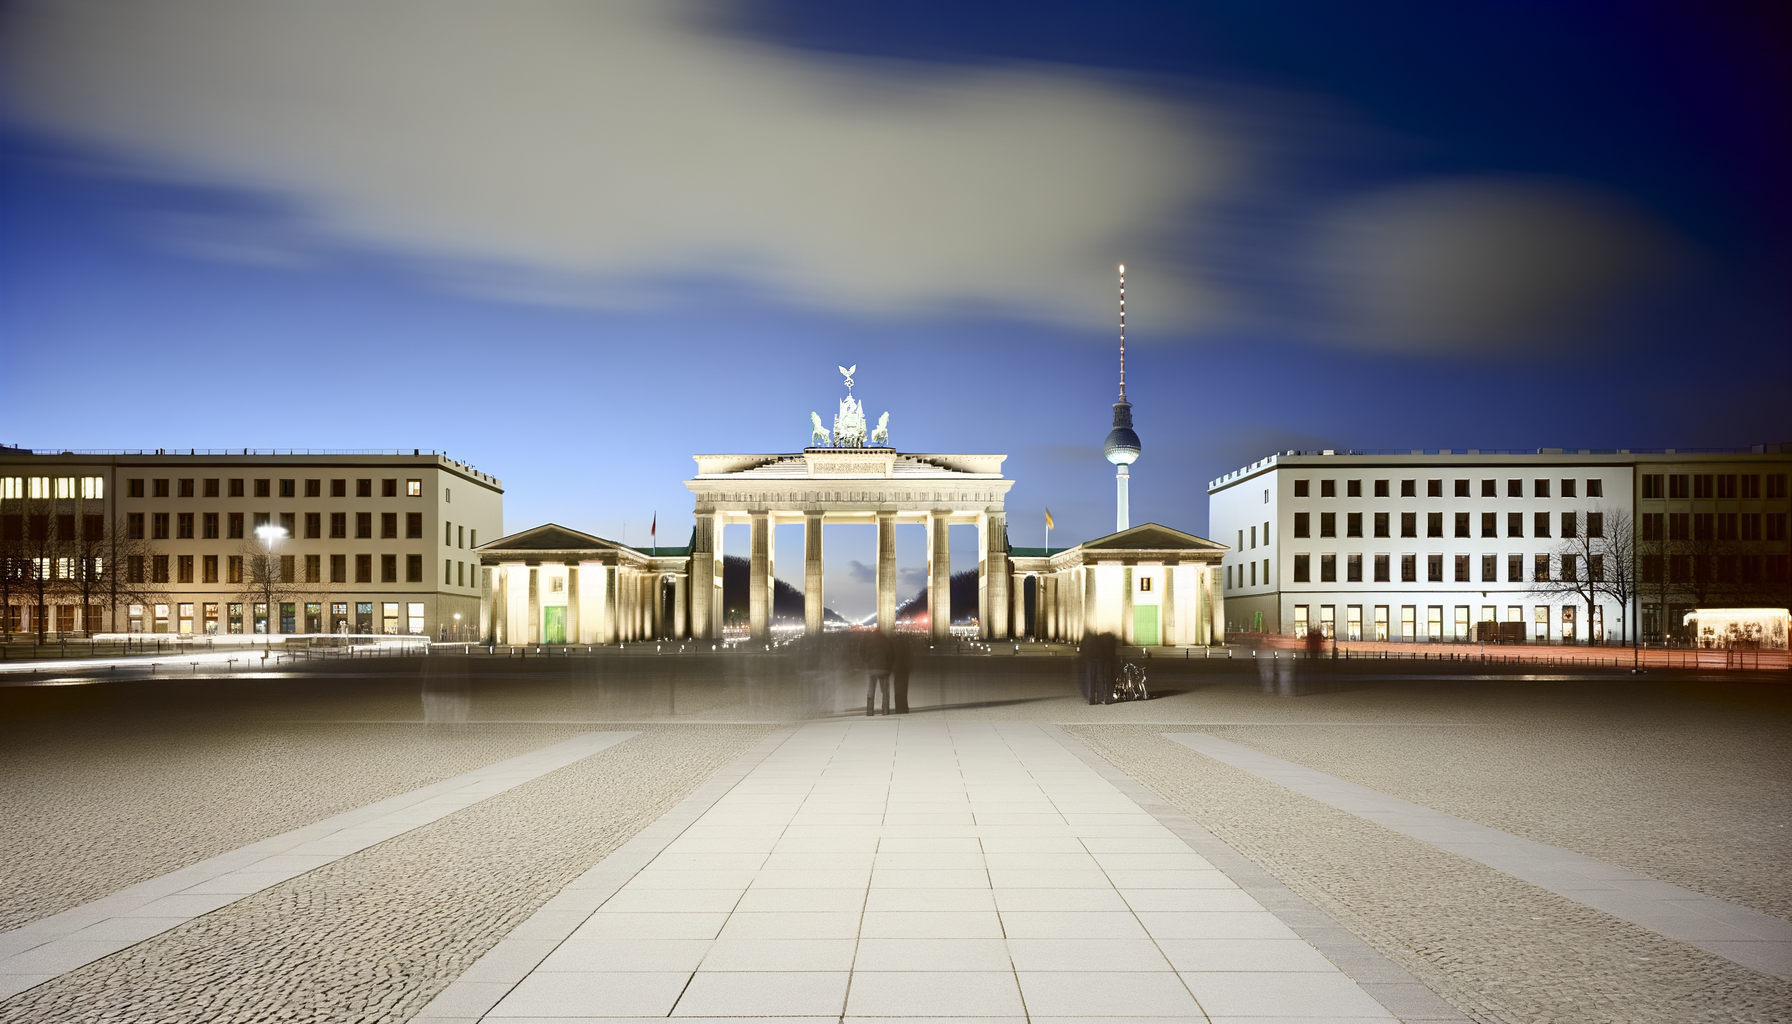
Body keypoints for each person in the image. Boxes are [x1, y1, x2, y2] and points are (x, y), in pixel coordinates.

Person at [863, 629, 895, 715]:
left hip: (872, 669)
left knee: (871, 690)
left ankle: (869, 711)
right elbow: (891, 656)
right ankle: (885, 710)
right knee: (885, 691)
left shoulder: (871, 643)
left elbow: (866, 656)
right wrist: (889, 668)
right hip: (884, 670)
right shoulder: (886, 642)